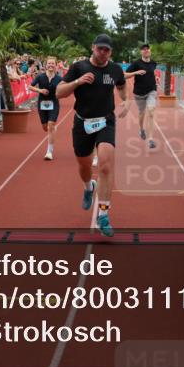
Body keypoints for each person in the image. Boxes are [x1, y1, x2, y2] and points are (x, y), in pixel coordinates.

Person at [55, 34, 130, 237]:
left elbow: (122, 85)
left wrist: (126, 100)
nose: (103, 53)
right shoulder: (79, 67)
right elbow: (59, 92)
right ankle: (89, 187)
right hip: (82, 122)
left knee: (105, 165)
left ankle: (103, 214)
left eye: (107, 50)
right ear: (93, 47)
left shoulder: (114, 69)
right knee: (84, 165)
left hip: (106, 121)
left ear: (111, 52)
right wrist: (78, 82)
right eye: (100, 49)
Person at [125, 43, 161, 150]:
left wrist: (156, 78)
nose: (146, 50)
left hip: (152, 90)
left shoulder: (154, 63)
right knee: (142, 113)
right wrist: (136, 72)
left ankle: (150, 140)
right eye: (143, 49)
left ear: (150, 51)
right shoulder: (136, 63)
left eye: (147, 49)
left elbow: (153, 73)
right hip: (139, 93)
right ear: (141, 52)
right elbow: (125, 75)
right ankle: (141, 129)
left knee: (151, 111)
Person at [30, 56, 62, 160]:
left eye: (53, 63)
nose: (51, 65)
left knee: (50, 125)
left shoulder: (59, 79)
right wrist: (40, 91)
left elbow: (64, 89)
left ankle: (49, 151)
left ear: (56, 66)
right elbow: (30, 87)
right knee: (45, 127)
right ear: (45, 65)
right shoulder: (40, 77)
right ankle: (51, 128)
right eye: (49, 63)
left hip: (54, 103)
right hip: (42, 103)